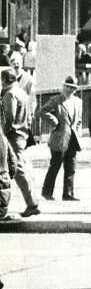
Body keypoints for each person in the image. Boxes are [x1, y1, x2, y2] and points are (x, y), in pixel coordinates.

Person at [1, 68, 40, 217]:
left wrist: (3, 132)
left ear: (4, 80)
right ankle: (32, 201)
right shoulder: (22, 92)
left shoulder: (10, 94)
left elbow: (9, 117)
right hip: (22, 134)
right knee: (21, 168)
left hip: (13, 136)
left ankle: (32, 203)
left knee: (18, 170)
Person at [40, 75, 83, 202]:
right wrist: (54, 122)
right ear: (63, 87)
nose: (70, 90)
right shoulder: (55, 100)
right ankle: (47, 192)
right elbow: (42, 111)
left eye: (73, 88)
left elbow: (79, 119)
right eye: (68, 87)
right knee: (55, 165)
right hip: (59, 138)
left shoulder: (78, 101)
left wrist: (78, 131)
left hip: (73, 139)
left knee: (71, 167)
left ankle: (68, 194)